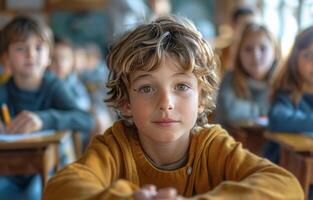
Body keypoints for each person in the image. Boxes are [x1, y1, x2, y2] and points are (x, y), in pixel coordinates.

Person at [43, 16, 302, 200]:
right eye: (146, 88)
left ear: (201, 98)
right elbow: (59, 189)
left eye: (181, 87)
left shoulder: (213, 146)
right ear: (126, 102)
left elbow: (286, 186)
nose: (166, 102)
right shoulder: (115, 146)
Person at [0, 16, 95, 200]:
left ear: (48, 56)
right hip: (9, 170)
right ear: (6, 58)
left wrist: (43, 120)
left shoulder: (53, 85)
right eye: (20, 48)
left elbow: (85, 119)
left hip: (50, 168)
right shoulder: (3, 90)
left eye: (38, 48)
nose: (31, 55)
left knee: (36, 193)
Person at [214, 23, 280, 127]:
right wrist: (265, 110)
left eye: (263, 48)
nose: (256, 56)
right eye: (248, 49)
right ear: (239, 54)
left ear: (275, 52)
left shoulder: (283, 81)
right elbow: (230, 111)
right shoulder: (230, 78)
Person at [264, 26, 313, 163]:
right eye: (308, 55)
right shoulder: (287, 93)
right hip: (284, 166)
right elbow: (278, 119)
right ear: (294, 58)